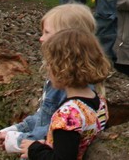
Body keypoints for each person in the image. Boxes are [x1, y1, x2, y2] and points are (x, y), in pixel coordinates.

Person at [0, 3, 98, 153]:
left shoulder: (70, 88)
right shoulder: (64, 78)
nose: (41, 38)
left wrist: (16, 140)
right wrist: (18, 128)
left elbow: (55, 130)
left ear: (65, 38)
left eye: (46, 32)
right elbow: (44, 115)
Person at [19, 27, 112, 160]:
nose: (47, 68)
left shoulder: (68, 115)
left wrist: (33, 149)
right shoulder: (100, 102)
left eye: (49, 64)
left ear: (61, 68)